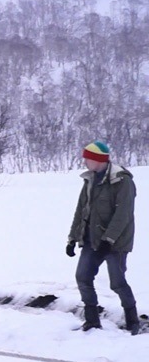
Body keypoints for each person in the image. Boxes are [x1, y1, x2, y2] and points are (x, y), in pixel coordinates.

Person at [66, 141, 140, 334]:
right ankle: (92, 321)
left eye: (87, 158)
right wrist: (73, 238)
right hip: (92, 240)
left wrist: (109, 240)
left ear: (98, 160)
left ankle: (132, 320)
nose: (84, 161)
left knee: (117, 282)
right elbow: (81, 210)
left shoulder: (122, 181)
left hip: (116, 243)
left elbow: (123, 214)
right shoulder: (90, 180)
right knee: (82, 277)